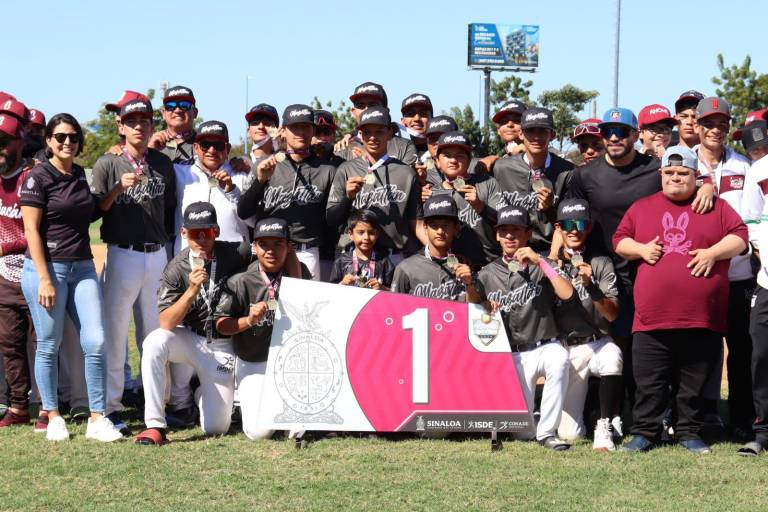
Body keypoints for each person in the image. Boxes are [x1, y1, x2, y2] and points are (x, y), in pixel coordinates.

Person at [567, 107, 714, 403]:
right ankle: (615, 412)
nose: (613, 137)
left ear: (635, 135)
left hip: (653, 270)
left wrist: (707, 184)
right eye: (607, 131)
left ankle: (666, 412)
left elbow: (685, 180)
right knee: (618, 344)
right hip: (609, 272)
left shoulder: (653, 168)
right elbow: (570, 220)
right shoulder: (583, 176)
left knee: (658, 345)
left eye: (621, 131)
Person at [614, 145, 748, 454]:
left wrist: (713, 253)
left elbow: (740, 236)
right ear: (660, 174)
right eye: (670, 172)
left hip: (701, 315)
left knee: (694, 382)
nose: (676, 178)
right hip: (651, 316)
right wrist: (641, 250)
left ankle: (689, 432)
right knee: (650, 381)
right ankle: (645, 432)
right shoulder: (642, 207)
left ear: (695, 176)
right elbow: (620, 240)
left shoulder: (715, 206)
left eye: (683, 173)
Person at [19, 113, 123, 442]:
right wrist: (45, 278)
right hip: (47, 269)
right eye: (61, 137)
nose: (68, 142)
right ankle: (52, 415)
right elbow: (31, 231)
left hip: (82, 267)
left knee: (96, 340)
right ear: (49, 141)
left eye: (73, 137)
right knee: (49, 345)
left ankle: (96, 417)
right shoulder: (37, 177)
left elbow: (90, 211)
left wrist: (117, 189)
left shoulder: (79, 174)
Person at [90, 98, 177, 434]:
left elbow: (169, 209)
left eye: (145, 120)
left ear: (153, 126)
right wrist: (116, 188)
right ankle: (111, 406)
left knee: (155, 334)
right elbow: (94, 211)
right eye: (132, 120)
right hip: (122, 253)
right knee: (114, 332)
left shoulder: (161, 163)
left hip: (156, 254)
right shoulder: (107, 162)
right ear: (121, 126)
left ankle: (157, 406)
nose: (139, 125)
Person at [134, 203, 250, 445]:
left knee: (216, 428)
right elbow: (165, 322)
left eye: (206, 232)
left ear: (216, 231)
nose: (200, 238)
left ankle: (200, 391)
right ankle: (155, 425)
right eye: (194, 232)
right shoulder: (176, 268)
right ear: (183, 232)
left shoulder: (234, 252)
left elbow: (264, 251)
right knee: (154, 342)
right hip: (190, 338)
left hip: (222, 344)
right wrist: (191, 291)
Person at [475, 205, 575, 450]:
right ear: (497, 235)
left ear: (528, 233)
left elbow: (568, 293)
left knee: (559, 357)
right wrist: (483, 307)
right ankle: (535, 423)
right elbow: (474, 316)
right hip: (513, 354)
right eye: (504, 230)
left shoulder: (543, 265)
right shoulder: (487, 273)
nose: (510, 236)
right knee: (522, 434)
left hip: (545, 345)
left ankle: (548, 432)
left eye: (516, 230)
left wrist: (542, 262)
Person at [214, 217, 311, 440]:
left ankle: (278, 403)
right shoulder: (241, 281)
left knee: (303, 426)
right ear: (255, 247)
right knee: (260, 433)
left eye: (278, 244)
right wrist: (248, 320)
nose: (270, 251)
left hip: (291, 362)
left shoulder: (299, 272)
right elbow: (221, 325)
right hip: (254, 362)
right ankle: (242, 400)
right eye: (263, 244)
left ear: (288, 247)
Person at [693, 97, 754, 437]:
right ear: (697, 127)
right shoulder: (682, 163)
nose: (716, 129)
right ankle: (701, 417)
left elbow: (748, 222)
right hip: (698, 275)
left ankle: (742, 419)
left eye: (722, 124)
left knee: (742, 350)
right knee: (700, 349)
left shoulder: (744, 166)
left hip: (738, 274)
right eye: (709, 123)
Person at [552, 199, 623, 451]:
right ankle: (591, 415)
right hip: (564, 348)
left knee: (613, 356)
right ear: (558, 229)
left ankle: (605, 424)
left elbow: (612, 315)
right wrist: (551, 262)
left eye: (580, 223)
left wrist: (591, 286)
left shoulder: (600, 261)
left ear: (589, 228)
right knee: (570, 435)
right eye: (567, 225)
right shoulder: (549, 265)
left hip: (596, 342)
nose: (574, 230)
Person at [237, 104, 335, 279]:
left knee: (305, 305)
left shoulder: (327, 169)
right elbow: (244, 211)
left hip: (306, 251)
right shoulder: (265, 164)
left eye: (306, 127)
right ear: (283, 130)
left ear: (313, 130)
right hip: (269, 250)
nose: (300, 132)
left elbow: (333, 220)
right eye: (294, 127)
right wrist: (259, 182)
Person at [327, 106, 426, 264]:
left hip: (394, 257)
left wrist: (442, 255)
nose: (372, 137)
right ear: (360, 134)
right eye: (367, 132)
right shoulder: (346, 169)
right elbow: (331, 219)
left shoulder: (406, 173)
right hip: (354, 256)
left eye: (379, 131)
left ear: (390, 133)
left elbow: (417, 224)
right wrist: (347, 198)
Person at [492, 107, 575, 253]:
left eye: (542, 131)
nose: (536, 137)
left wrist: (551, 209)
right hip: (514, 249)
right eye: (530, 131)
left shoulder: (569, 172)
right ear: (521, 134)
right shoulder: (502, 168)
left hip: (552, 250)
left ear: (552, 135)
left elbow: (574, 225)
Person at [422, 131, 503, 266]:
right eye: (447, 156)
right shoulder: (430, 194)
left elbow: (506, 224)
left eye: (460, 156)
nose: (453, 160)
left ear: (469, 160)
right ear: (437, 161)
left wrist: (481, 207)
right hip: (451, 266)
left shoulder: (487, 183)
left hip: (490, 264)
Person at [0, 114, 34, 427]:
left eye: (4, 141)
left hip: (36, 272)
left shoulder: (33, 177)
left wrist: (7, 246)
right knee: (10, 344)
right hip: (6, 277)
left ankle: (51, 407)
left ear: (19, 143)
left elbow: (38, 229)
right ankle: (18, 407)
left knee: (45, 344)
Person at [173, 121, 251, 253]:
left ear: (228, 148)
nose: (212, 150)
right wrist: (152, 146)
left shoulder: (242, 175)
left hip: (233, 257)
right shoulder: (177, 172)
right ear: (196, 147)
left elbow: (253, 221)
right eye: (205, 145)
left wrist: (232, 190)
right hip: (188, 256)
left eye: (218, 145)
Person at [391, 195, 480, 302]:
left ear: (456, 228)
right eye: (434, 225)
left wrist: (469, 284)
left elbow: (476, 310)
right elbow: (394, 308)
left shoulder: (466, 266)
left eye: (446, 225)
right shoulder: (406, 268)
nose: (440, 231)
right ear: (425, 227)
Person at [334, 82, 417, 165]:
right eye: (360, 105)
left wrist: (370, 161)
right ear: (353, 111)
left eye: (372, 105)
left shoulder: (404, 146)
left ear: (386, 110)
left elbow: (406, 176)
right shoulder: (342, 148)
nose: (366, 110)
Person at [329, 209, 394, 289]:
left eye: (371, 233)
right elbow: (331, 290)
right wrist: (342, 283)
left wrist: (382, 288)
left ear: (377, 234)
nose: (366, 237)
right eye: (361, 232)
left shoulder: (384, 262)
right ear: (351, 234)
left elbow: (395, 293)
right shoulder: (341, 261)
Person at [149, 85, 198, 165]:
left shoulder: (205, 145)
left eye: (184, 105)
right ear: (163, 114)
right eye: (170, 106)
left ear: (195, 112)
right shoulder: (150, 142)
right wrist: (149, 151)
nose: (177, 110)